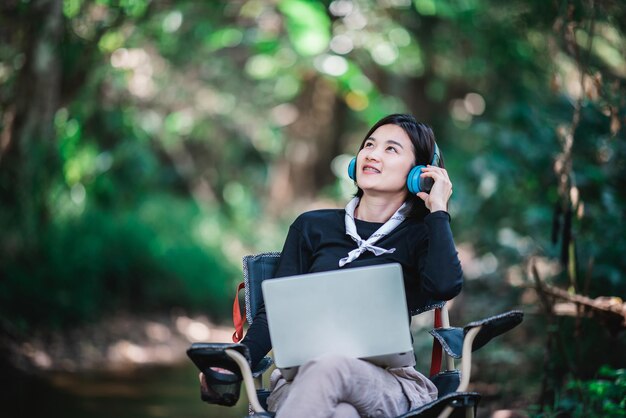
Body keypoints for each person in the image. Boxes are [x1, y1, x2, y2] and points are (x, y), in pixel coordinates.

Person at [202, 113, 463, 418]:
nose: (373, 154)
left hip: (387, 381)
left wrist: (438, 210)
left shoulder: (422, 233)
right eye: (369, 144)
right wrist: (233, 361)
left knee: (332, 366)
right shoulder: (312, 226)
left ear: (419, 172)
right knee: (342, 413)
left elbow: (444, 287)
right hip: (300, 380)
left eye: (391, 149)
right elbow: (275, 315)